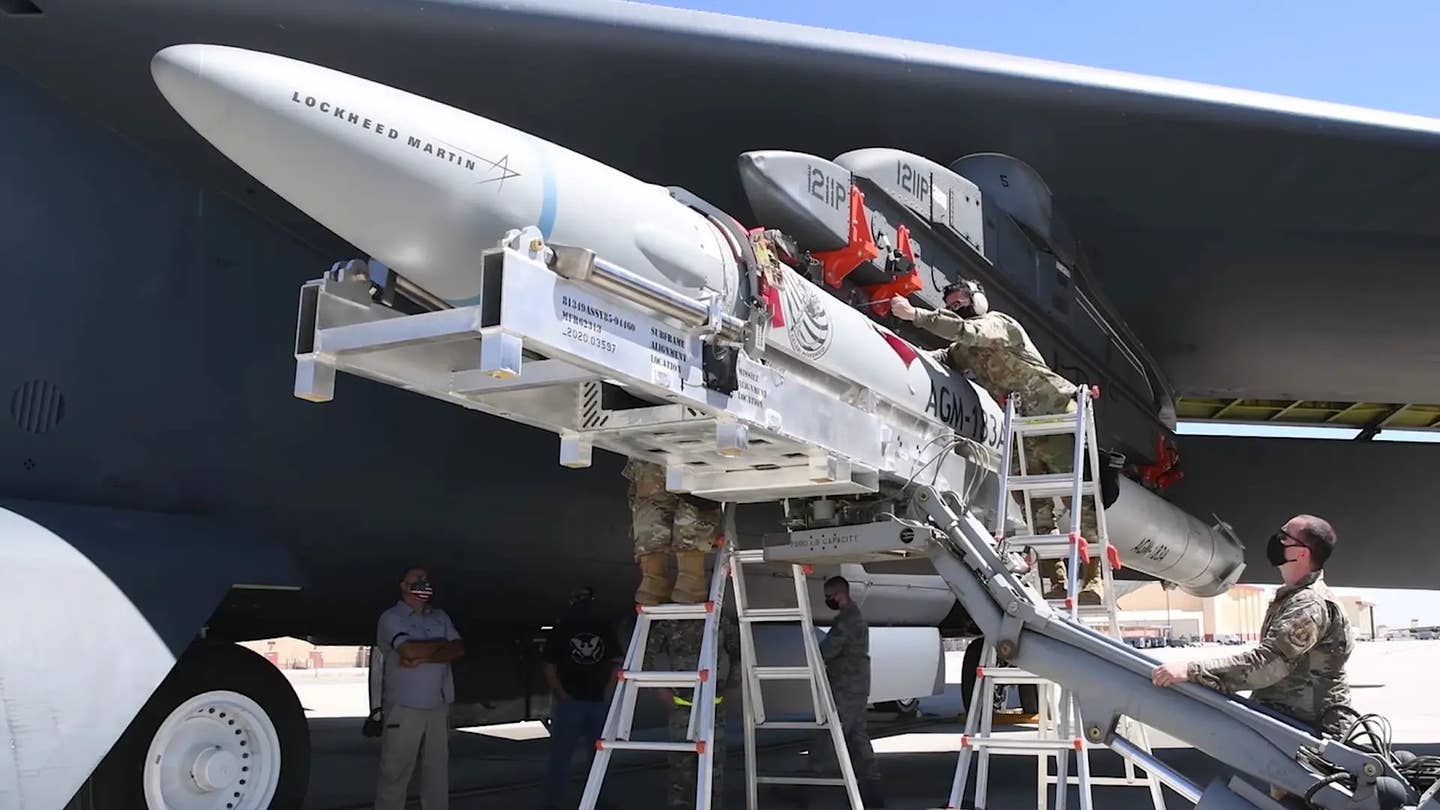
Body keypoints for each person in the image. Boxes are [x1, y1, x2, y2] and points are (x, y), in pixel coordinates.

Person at [890, 281, 1103, 605]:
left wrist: (915, 315)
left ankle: (1094, 581)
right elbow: (947, 356)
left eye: (961, 299)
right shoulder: (965, 349)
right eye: (951, 303)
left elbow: (967, 333)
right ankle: (1055, 582)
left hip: (1054, 414)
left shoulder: (998, 324)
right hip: (1021, 428)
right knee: (1034, 509)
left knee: (1078, 504)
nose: (956, 305)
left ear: (977, 301)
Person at [1151, 515, 1354, 738]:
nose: (1276, 540)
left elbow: (1266, 664)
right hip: (1291, 726)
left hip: (1310, 732)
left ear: (1302, 553)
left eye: (1284, 537)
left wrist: (1191, 671)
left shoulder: (1309, 605)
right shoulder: (1295, 598)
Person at [373, 567, 465, 810]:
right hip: (405, 709)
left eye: (425, 579)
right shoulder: (391, 618)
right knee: (395, 773)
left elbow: (458, 649)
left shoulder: (440, 617)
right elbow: (407, 651)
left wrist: (421, 657)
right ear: (403, 586)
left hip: (438, 706)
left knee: (437, 773)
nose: (423, 582)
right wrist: (439, 647)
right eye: (417, 579)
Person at [647, 608, 741, 809]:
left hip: (712, 708)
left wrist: (733, 685)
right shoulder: (670, 621)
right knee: (681, 773)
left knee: (713, 770)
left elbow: (739, 652)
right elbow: (643, 655)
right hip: (682, 708)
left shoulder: (719, 620)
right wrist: (660, 689)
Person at [541, 586, 621, 810]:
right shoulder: (570, 628)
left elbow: (615, 662)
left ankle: (594, 801)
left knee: (589, 757)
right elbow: (549, 666)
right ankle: (557, 803)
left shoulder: (594, 628)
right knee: (571, 757)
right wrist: (564, 694)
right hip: (578, 701)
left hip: (585, 701)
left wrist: (604, 692)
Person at [819, 576, 886, 807]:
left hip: (847, 687)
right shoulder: (852, 616)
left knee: (832, 736)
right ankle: (872, 791)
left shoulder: (846, 621)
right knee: (857, 737)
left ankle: (811, 787)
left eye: (830, 596)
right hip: (856, 686)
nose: (828, 600)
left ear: (840, 594)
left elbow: (827, 650)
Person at [624, 459, 723, 605]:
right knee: (694, 488)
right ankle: (689, 580)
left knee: (651, 497)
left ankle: (652, 583)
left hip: (649, 444)